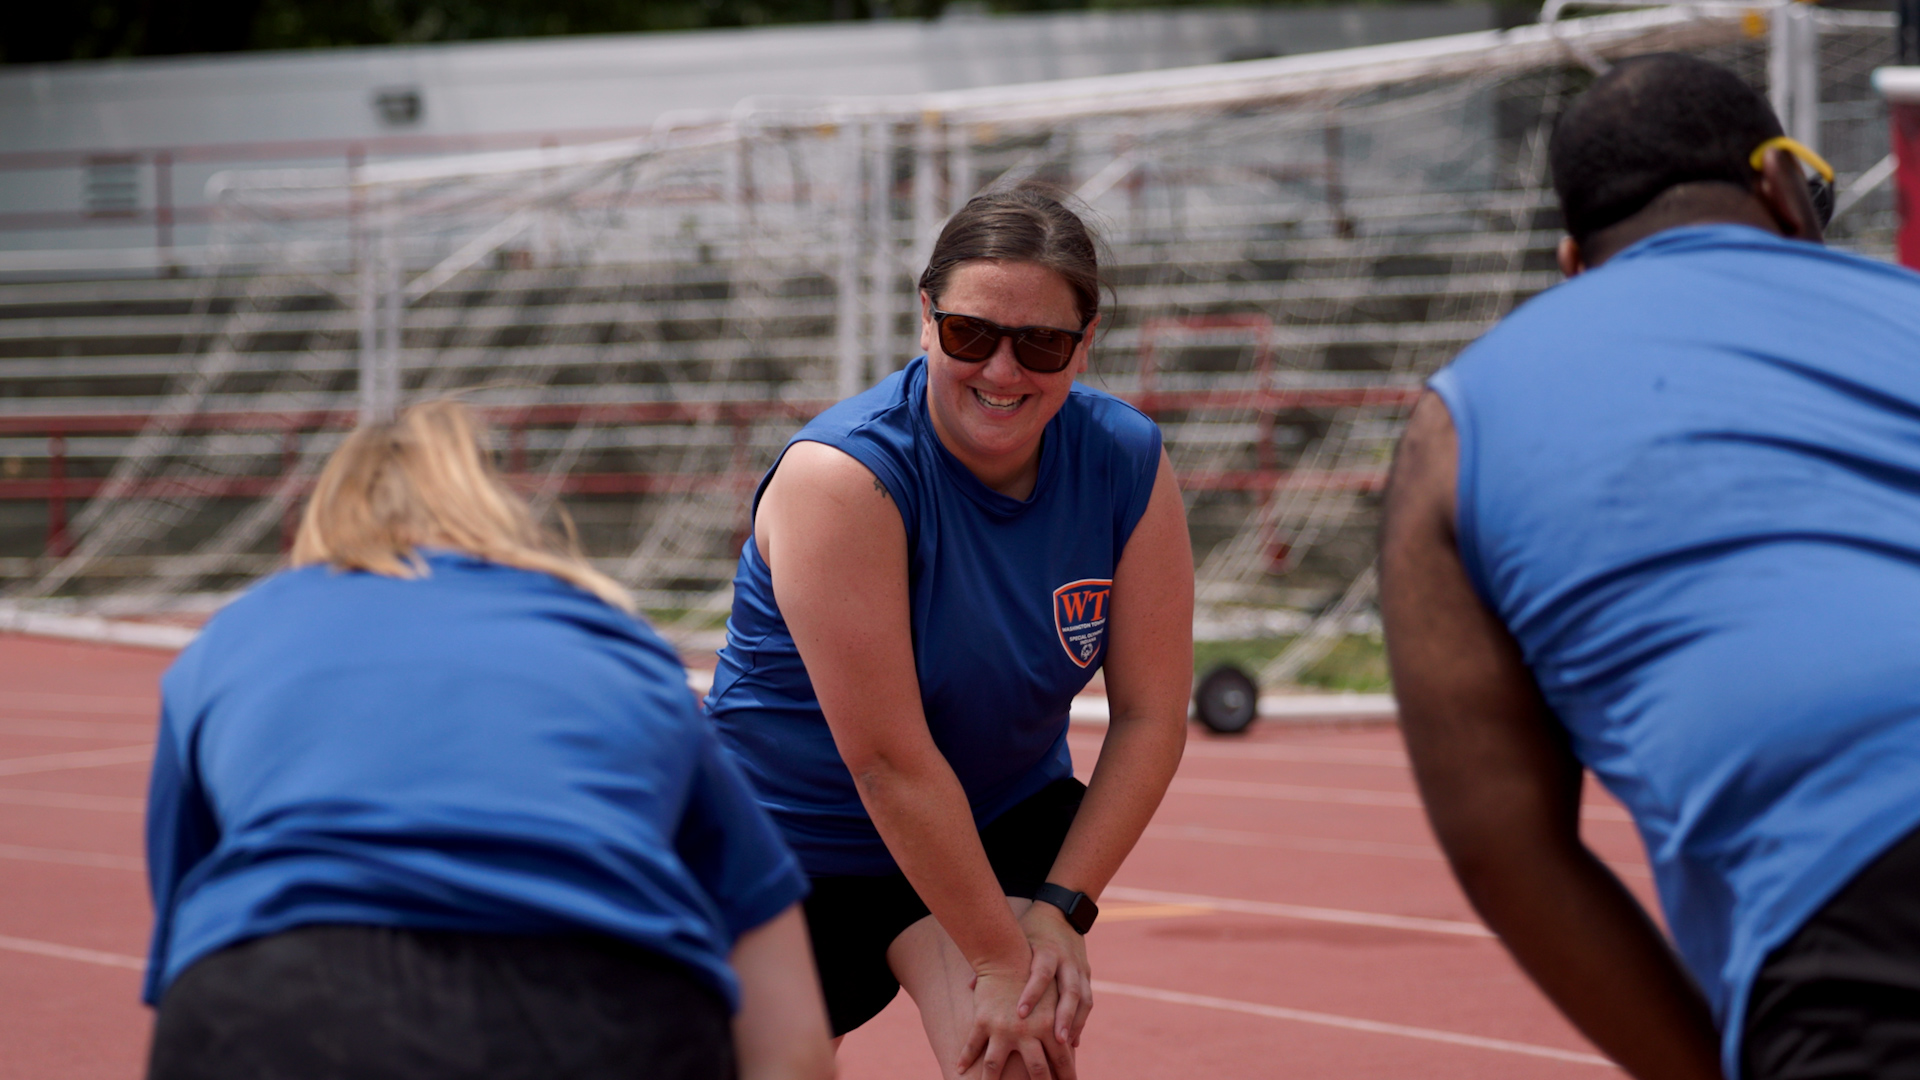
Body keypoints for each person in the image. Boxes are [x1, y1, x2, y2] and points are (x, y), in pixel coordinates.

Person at [1380, 53, 1920, 1080]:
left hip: (1849, 902)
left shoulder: (1456, 429)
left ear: (1573, 262)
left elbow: (1505, 848)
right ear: (1778, 188)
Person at [142, 400, 835, 1080]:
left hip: (274, 1002)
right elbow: (793, 1036)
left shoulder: (230, 640)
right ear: (501, 516)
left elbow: (187, 925)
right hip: (603, 997)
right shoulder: (616, 644)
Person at [705, 184, 1193, 1080]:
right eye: (972, 333)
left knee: (1019, 1057)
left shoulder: (1126, 461)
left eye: (1041, 343)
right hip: (791, 848)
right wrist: (1002, 959)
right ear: (925, 318)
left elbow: (1153, 716)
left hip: (991, 820)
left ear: (1085, 345)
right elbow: (887, 763)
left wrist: (1056, 912)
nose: (1003, 372)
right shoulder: (843, 479)